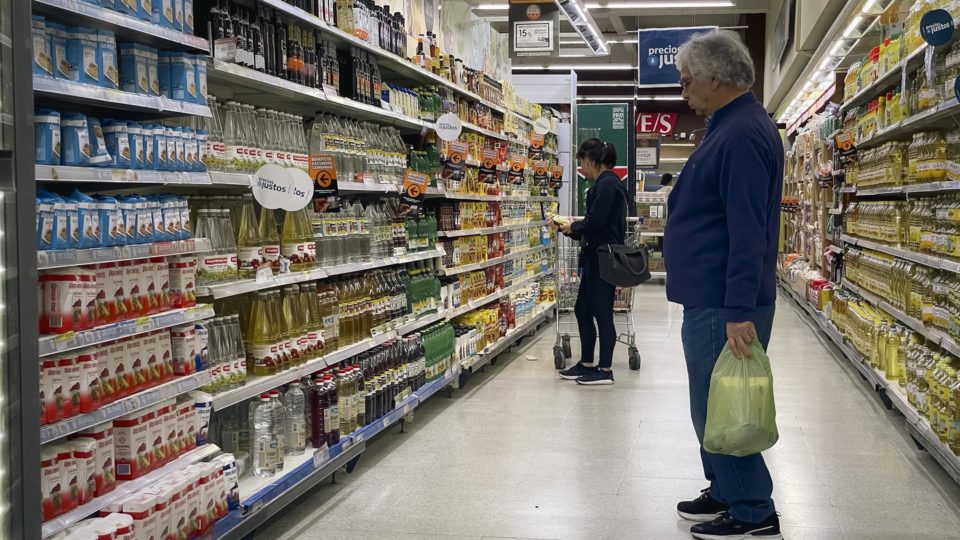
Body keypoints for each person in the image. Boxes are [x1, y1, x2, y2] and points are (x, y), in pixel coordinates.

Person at [664, 31, 784, 539]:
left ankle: (754, 509)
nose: (684, 92)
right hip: (712, 296)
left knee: (721, 405)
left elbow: (746, 229)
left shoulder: (740, 136)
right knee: (711, 400)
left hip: (723, 302)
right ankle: (724, 487)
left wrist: (738, 309)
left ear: (715, 77)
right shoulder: (731, 126)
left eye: (687, 82)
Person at [551, 139, 627, 385]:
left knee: (602, 313)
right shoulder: (604, 184)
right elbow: (595, 225)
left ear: (593, 161)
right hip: (595, 256)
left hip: (604, 258)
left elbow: (597, 222)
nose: (581, 168)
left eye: (582, 162)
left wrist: (574, 226)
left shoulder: (607, 184)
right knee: (582, 309)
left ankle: (605, 370)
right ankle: (586, 364)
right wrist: (569, 229)